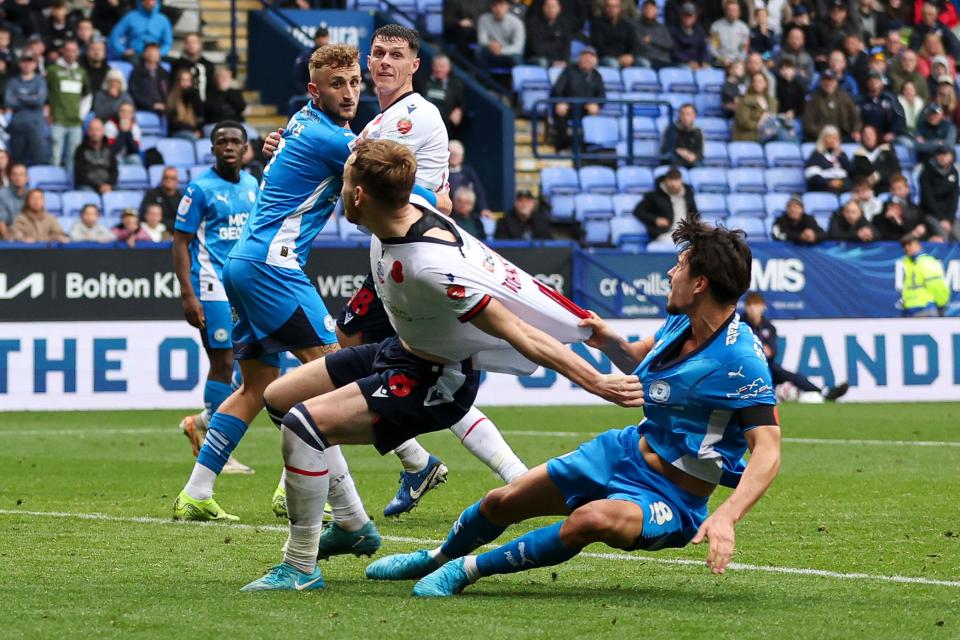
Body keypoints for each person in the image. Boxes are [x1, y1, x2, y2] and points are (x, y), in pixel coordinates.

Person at [240, 138, 644, 593]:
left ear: (360, 195)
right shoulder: (404, 202)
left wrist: (597, 381)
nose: (341, 187)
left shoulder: (431, 266)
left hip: (434, 380)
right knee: (279, 398)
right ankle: (352, 523)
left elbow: (521, 331)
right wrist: (286, 145)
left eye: (345, 181)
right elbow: (427, 188)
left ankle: (299, 567)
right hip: (398, 349)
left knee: (302, 426)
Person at [364, 218, 781, 597]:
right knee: (500, 502)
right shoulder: (682, 321)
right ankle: (436, 557)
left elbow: (768, 450)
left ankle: (465, 571)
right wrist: (609, 341)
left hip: (673, 499)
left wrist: (726, 516)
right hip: (622, 452)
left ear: (701, 283)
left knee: (590, 521)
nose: (671, 273)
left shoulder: (740, 360)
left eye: (680, 266)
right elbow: (639, 363)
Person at [267, 26, 528, 526]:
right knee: (383, 358)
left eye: (397, 54)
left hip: (417, 262)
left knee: (385, 360)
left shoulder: (414, 115)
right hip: (392, 260)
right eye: (379, 54)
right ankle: (426, 464)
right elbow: (349, 164)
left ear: (415, 65)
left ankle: (339, 461)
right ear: (368, 63)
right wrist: (289, 145)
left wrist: (299, 149)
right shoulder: (378, 121)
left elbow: (369, 176)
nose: (385, 62)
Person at [171, 44, 365, 523]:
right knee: (332, 375)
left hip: (243, 262)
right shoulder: (334, 140)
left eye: (354, 82)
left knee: (256, 385)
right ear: (314, 90)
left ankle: (196, 492)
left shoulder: (302, 121)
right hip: (272, 265)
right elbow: (382, 184)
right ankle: (323, 499)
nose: (349, 93)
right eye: (337, 84)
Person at [173, 121, 260, 475]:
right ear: (212, 149)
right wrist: (187, 294)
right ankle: (217, 452)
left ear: (245, 148)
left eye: (235, 141)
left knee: (253, 365)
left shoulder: (253, 185)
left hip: (245, 287)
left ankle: (201, 423)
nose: (228, 146)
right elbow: (180, 242)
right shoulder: (199, 189)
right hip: (211, 286)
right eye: (221, 141)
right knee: (223, 363)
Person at [743, 292, 849, 403]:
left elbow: (772, 351)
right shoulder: (739, 325)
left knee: (793, 377)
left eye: (756, 305)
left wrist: (763, 350)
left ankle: (824, 393)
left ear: (763, 307)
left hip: (766, 367)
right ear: (745, 307)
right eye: (749, 305)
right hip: (745, 367)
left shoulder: (769, 327)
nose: (752, 309)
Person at [46, 40, 90, 176]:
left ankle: (70, 184)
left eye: (74, 51)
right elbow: (45, 93)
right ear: (63, 51)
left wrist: (81, 114)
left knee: (73, 157)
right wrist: (47, 113)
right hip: (57, 120)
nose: (71, 54)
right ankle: (52, 181)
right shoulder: (53, 70)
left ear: (78, 53)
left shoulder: (81, 72)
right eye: (68, 50)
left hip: (75, 122)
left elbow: (87, 95)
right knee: (55, 156)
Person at [550, 46, 604, 151]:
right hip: (569, 107)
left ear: (595, 60)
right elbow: (557, 89)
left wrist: (597, 105)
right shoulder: (569, 71)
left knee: (594, 117)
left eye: (591, 57)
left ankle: (588, 150)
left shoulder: (597, 76)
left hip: (586, 109)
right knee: (560, 114)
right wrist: (560, 102)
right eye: (585, 56)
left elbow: (601, 95)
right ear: (580, 58)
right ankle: (562, 148)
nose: (588, 59)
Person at [5, 53, 47, 166]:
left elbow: (39, 101)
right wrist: (31, 97)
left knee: (38, 161)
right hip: (17, 127)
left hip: (35, 127)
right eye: (24, 61)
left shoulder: (40, 81)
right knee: (17, 162)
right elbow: (8, 101)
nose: (27, 64)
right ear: (19, 63)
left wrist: (19, 97)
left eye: (30, 61)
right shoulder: (13, 81)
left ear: (35, 64)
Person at [632, 168, 697, 240]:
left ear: (681, 181)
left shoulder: (688, 195)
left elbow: (695, 214)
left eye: (676, 180)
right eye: (670, 180)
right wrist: (655, 219)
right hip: (664, 233)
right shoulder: (655, 196)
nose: (673, 184)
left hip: (686, 234)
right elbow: (638, 211)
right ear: (666, 180)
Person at [898, 235, 950, 317]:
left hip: (925, 307)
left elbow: (937, 285)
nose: (907, 248)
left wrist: (941, 304)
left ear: (918, 245)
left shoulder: (927, 262)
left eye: (910, 244)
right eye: (904, 246)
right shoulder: (908, 264)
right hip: (909, 309)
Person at [803, 69, 861, 142]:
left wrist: (855, 130)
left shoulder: (845, 97)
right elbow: (808, 123)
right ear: (820, 82)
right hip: (820, 137)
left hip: (843, 135)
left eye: (831, 81)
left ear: (836, 82)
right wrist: (824, 134)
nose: (828, 83)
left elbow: (855, 118)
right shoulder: (813, 99)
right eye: (825, 81)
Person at [918, 144, 960, 241]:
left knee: (958, 234)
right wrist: (941, 219)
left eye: (946, 154)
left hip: (948, 215)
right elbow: (927, 198)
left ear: (951, 156)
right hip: (931, 213)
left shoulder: (953, 172)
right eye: (940, 154)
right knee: (943, 236)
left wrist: (949, 219)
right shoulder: (926, 172)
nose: (943, 157)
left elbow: (954, 197)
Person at [417, 55, 465, 138]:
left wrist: (459, 110)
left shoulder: (456, 85)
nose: (438, 69)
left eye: (442, 66)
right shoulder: (420, 79)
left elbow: (461, 103)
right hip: (420, 118)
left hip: (443, 123)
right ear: (432, 66)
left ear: (449, 68)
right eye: (436, 66)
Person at [108, 0, 173, 60]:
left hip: (155, 56)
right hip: (134, 55)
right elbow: (114, 36)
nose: (149, 2)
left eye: (152, 0)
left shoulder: (163, 20)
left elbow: (167, 43)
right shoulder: (130, 17)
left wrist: (159, 53)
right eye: (146, 0)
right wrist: (122, 51)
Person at [873, 174, 928, 240]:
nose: (896, 192)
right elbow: (881, 233)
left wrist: (899, 221)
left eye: (899, 189)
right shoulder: (884, 208)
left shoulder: (915, 209)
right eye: (893, 189)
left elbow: (919, 229)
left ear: (907, 190)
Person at [477, 0, 525, 70]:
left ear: (507, 7)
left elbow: (518, 47)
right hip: (491, 51)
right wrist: (490, 44)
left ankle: (517, 77)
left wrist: (501, 50)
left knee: (516, 57)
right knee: (479, 51)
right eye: (495, 5)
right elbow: (482, 40)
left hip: (508, 54)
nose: (498, 9)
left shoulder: (517, 23)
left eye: (501, 5)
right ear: (491, 7)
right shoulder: (483, 19)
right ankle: (481, 76)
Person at [74, 117, 118, 194]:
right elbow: (80, 174)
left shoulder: (110, 149)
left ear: (103, 131)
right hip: (88, 186)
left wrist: (109, 185)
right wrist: (99, 186)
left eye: (97, 129)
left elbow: (114, 171)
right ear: (88, 132)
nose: (95, 133)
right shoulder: (80, 150)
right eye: (92, 130)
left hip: (107, 186)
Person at [851, 124, 900, 193]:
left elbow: (895, 170)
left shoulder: (887, 150)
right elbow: (856, 175)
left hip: (888, 189)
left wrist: (879, 175)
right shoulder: (858, 155)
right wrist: (867, 181)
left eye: (871, 134)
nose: (868, 137)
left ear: (876, 135)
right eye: (865, 135)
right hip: (866, 191)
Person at [447, 140, 490, 218]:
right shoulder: (443, 172)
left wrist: (483, 208)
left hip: (469, 213)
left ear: (462, 157)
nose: (453, 157)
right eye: (451, 154)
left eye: (456, 155)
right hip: (449, 211)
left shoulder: (468, 172)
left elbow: (479, 191)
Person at [805, 126, 853, 194]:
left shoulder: (842, 154)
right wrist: (828, 183)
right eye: (830, 137)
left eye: (835, 138)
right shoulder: (816, 155)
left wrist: (839, 156)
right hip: (825, 188)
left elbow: (851, 171)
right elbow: (812, 175)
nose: (833, 140)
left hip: (844, 187)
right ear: (823, 139)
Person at [732, 72, 779, 142]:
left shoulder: (772, 101)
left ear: (766, 84)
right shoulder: (745, 100)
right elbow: (743, 122)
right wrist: (759, 124)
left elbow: (773, 119)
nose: (757, 84)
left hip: (768, 134)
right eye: (754, 81)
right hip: (748, 135)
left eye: (760, 81)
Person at [590, 0, 638, 69]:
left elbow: (634, 44)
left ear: (619, 8)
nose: (611, 9)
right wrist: (619, 57)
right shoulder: (597, 24)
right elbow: (599, 47)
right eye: (608, 6)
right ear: (604, 8)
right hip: (606, 57)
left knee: (642, 63)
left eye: (615, 6)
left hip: (626, 57)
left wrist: (630, 56)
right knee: (613, 64)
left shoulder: (627, 25)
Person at [524, 0, 571, 68]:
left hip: (558, 60)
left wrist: (565, 61)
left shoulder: (564, 25)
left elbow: (566, 47)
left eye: (553, 7)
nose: (551, 9)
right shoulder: (534, 24)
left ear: (559, 8)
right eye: (548, 6)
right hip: (536, 58)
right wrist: (552, 61)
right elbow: (537, 49)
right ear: (543, 8)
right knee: (542, 61)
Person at [171, 32, 214, 102]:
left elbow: (212, 87)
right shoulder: (177, 65)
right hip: (182, 103)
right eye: (188, 42)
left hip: (205, 104)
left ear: (200, 44)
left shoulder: (208, 65)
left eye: (194, 42)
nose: (191, 45)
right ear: (184, 45)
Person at [128, 42, 169, 116]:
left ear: (159, 55)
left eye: (155, 52)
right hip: (144, 108)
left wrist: (166, 104)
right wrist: (152, 104)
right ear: (144, 54)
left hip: (164, 108)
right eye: (149, 51)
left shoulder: (165, 74)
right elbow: (134, 93)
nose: (152, 54)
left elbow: (169, 92)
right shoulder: (136, 72)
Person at [661, 103, 703, 168]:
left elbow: (699, 154)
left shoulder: (697, 132)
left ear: (694, 116)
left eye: (688, 114)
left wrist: (692, 156)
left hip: (691, 165)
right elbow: (665, 150)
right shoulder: (671, 129)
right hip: (673, 165)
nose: (685, 117)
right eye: (682, 114)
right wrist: (681, 152)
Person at [709, 0, 749, 67]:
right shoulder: (716, 27)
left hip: (737, 62)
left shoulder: (744, 28)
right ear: (725, 11)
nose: (732, 13)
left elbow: (744, 49)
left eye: (735, 11)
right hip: (720, 62)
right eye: (730, 10)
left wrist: (738, 60)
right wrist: (721, 59)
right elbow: (713, 47)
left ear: (739, 12)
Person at [166, 68, 203, 140]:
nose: (186, 83)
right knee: (192, 137)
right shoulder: (173, 98)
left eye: (188, 80)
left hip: (192, 131)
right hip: (178, 131)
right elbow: (174, 124)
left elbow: (200, 116)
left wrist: (198, 130)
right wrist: (193, 131)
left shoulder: (194, 96)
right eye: (183, 80)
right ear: (178, 82)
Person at [140, 166, 182, 230]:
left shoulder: (181, 198)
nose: (169, 180)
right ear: (162, 179)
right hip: (154, 230)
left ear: (177, 181)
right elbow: (143, 215)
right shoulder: (152, 194)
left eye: (173, 178)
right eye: (166, 177)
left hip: (174, 231)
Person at [291, 27, 329, 96]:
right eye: (319, 37)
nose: (322, 40)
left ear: (328, 38)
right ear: (315, 39)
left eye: (324, 37)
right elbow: (297, 76)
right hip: (310, 93)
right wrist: (306, 92)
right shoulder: (306, 55)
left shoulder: (332, 56)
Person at [669, 2, 708, 68]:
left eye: (690, 16)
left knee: (709, 69)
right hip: (680, 64)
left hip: (698, 64)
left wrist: (703, 61)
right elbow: (674, 51)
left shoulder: (700, 30)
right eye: (685, 15)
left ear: (695, 17)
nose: (687, 18)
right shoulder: (673, 30)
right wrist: (688, 61)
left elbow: (703, 49)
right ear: (681, 16)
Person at [636, 0, 673, 69]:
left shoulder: (662, 27)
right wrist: (659, 45)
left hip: (662, 60)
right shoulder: (636, 26)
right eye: (647, 8)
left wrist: (652, 40)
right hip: (646, 59)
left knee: (680, 69)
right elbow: (640, 44)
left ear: (656, 11)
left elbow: (669, 44)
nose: (649, 11)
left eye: (652, 8)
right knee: (645, 64)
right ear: (642, 10)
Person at [104, 101, 142, 165]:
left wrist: (128, 132)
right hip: (114, 156)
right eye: (123, 111)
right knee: (115, 159)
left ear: (132, 115)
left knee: (136, 159)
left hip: (128, 156)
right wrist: (122, 132)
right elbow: (111, 151)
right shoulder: (110, 125)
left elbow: (134, 151)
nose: (125, 114)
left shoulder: (135, 128)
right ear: (118, 112)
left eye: (129, 112)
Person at [0, 164, 30, 238]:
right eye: (15, 174)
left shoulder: (32, 194)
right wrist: (9, 241)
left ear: (27, 178)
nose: (18, 177)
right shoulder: (2, 194)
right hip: (8, 236)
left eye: (21, 175)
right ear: (10, 177)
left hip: (29, 236)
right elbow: (1, 221)